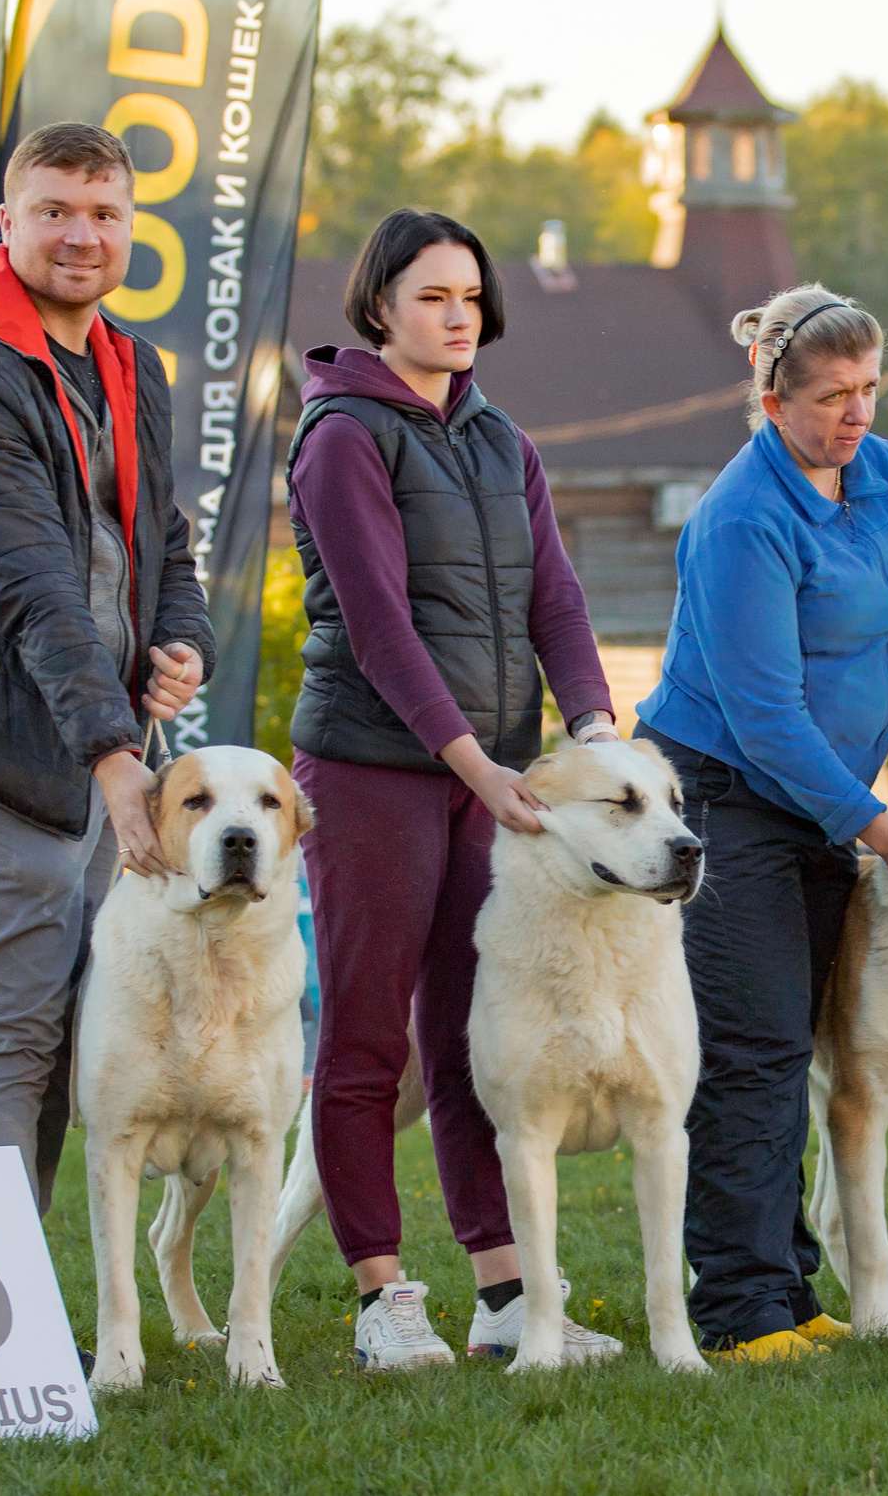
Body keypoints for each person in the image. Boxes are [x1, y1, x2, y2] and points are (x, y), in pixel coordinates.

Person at [286, 209, 623, 1371]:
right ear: (379, 306)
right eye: (433, 296)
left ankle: (505, 1295)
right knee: (366, 1034)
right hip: (372, 769)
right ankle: (381, 1297)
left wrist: (591, 726)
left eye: (470, 297)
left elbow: (554, 599)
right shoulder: (342, 435)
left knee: (477, 1030)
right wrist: (473, 761)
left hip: (491, 776)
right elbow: (378, 627)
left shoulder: (500, 440)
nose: (457, 316)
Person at [0, 122, 213, 1213]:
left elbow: (161, 539)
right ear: (7, 221)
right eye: (55, 211)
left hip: (100, 735)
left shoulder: (130, 360)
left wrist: (181, 642)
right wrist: (116, 756)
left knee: (77, 1024)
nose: (81, 235)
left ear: (130, 226)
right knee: (11, 1018)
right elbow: (23, 578)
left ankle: (8, 1282)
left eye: (104, 213)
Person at [634, 284, 888, 1362]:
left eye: (870, 389)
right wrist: (886, 836)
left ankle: (791, 1286)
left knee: (796, 1042)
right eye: (831, 397)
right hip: (732, 794)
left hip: (826, 799)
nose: (857, 414)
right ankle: (740, 1309)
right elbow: (765, 716)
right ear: (773, 401)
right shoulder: (740, 517)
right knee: (752, 1046)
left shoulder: (883, 469)